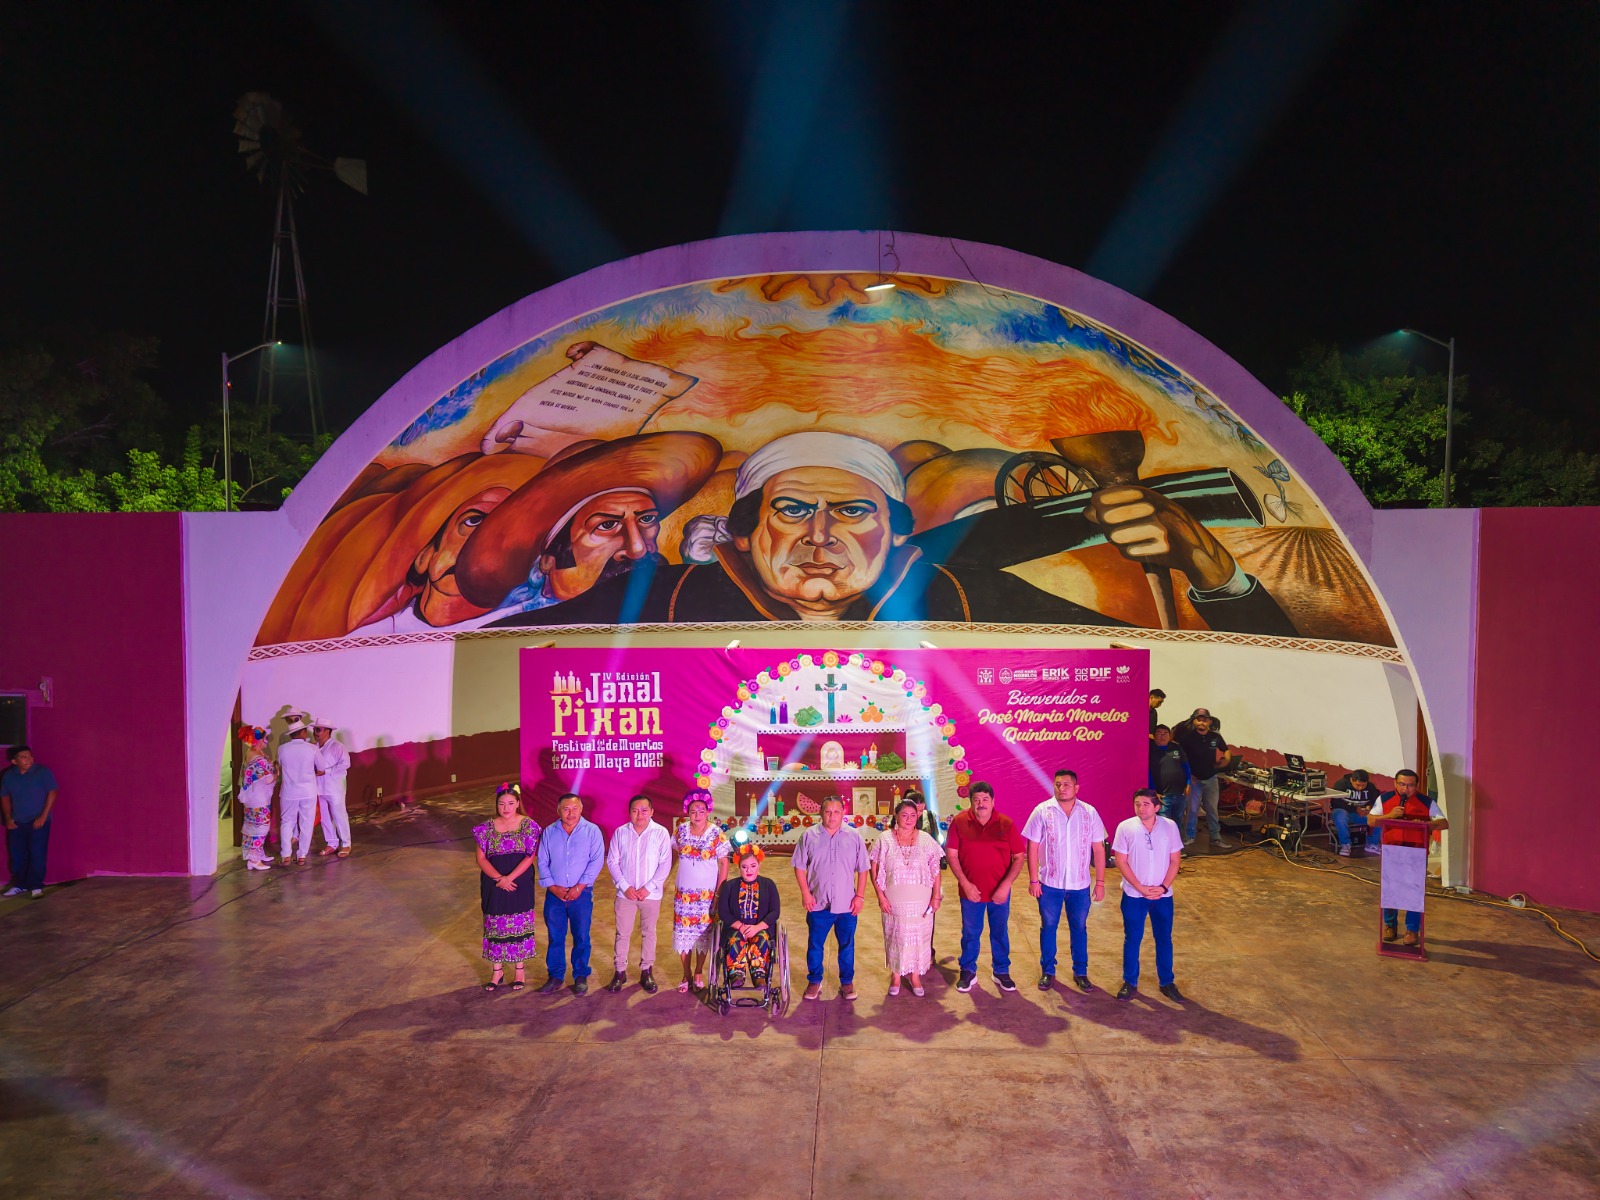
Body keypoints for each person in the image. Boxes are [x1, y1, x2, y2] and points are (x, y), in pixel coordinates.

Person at [494, 430, 1295, 632]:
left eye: (851, 511)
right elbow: (512, 640)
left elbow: (1262, 658)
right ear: (742, 531)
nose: (820, 535)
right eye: (793, 509)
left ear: (895, 535)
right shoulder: (662, 602)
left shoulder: (959, 595)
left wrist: (1211, 569)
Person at [1022, 769, 1107, 993]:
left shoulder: (1089, 812)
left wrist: (1100, 882)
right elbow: (1032, 847)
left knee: (1079, 927)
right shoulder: (1042, 810)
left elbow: (1098, 848)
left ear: (1076, 788)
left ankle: (1081, 972)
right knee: (1048, 927)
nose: (1062, 788)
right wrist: (1033, 880)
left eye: (1067, 784)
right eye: (1058, 784)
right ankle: (1048, 971)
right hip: (1050, 884)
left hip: (1080, 885)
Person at [944, 780, 1025, 994]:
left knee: (1000, 932)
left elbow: (1019, 857)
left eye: (985, 799)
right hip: (971, 892)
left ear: (993, 801)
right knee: (970, 932)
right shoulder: (959, 822)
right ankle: (968, 971)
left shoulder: (1006, 824)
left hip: (999, 892)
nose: (981, 804)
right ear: (970, 802)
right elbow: (951, 854)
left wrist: (1006, 885)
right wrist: (964, 883)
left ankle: (1001, 971)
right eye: (976, 800)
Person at [793, 794, 871, 1001]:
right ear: (821, 813)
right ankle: (814, 980)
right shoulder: (809, 836)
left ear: (843, 813)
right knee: (815, 945)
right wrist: (805, 893)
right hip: (818, 903)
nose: (832, 816)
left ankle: (847, 982)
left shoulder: (854, 837)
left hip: (847, 904)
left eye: (836, 811)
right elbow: (799, 867)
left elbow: (863, 869)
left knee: (847, 945)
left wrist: (860, 896)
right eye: (828, 811)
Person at [1111, 789, 1186, 1001]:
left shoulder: (1170, 827)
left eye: (1145, 804)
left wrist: (1163, 887)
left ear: (1156, 807)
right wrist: (1140, 887)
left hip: (1163, 896)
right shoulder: (1125, 827)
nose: (1140, 808)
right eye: (1137, 804)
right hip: (1135, 895)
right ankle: (1130, 982)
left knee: (1164, 938)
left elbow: (1175, 860)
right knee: (1132, 939)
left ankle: (1167, 982)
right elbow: (1121, 861)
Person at [870, 798, 945, 997]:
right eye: (904, 815)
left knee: (919, 939)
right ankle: (895, 976)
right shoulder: (884, 838)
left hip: (921, 900)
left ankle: (915, 976)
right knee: (896, 937)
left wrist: (936, 896)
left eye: (913, 815)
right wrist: (881, 896)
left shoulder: (926, 839)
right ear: (896, 816)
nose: (909, 819)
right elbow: (874, 867)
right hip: (894, 900)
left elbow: (936, 870)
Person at [474, 783, 542, 991]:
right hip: (493, 884)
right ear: (496, 804)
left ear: (518, 803)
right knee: (495, 924)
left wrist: (509, 877)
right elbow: (481, 858)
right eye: (502, 803)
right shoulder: (485, 828)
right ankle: (497, 971)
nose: (506, 807)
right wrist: (498, 878)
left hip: (518, 882)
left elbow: (530, 857)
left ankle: (519, 970)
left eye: (511, 803)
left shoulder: (529, 825)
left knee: (519, 924)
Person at [535, 792, 604, 994]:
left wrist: (579, 887)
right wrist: (553, 887)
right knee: (555, 937)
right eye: (566, 809)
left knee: (581, 935)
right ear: (558, 811)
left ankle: (581, 975)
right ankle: (555, 976)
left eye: (574, 808)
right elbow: (542, 861)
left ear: (581, 809)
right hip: (554, 896)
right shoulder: (549, 832)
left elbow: (596, 861)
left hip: (581, 895)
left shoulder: (592, 831)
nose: (570, 813)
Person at [1370, 770, 1448, 945]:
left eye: (1410, 785)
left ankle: (1412, 930)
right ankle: (1390, 925)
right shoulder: (1384, 799)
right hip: (1392, 851)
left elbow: (1444, 823)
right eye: (1402, 784)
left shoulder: (1426, 802)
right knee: (1390, 890)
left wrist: (1428, 824)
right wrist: (1389, 816)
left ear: (1417, 786)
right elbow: (1370, 820)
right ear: (1395, 784)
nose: (1406, 789)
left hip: (1416, 853)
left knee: (1414, 892)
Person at [605, 794, 672, 994]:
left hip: (650, 895)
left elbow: (665, 864)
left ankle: (646, 971)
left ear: (652, 812)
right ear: (630, 812)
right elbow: (612, 861)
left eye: (644, 810)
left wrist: (648, 888)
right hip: (625, 895)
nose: (640, 814)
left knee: (649, 932)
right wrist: (625, 886)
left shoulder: (660, 833)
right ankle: (619, 971)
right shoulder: (620, 832)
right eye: (635, 810)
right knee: (622, 933)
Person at [671, 789, 730, 993]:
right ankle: (686, 974)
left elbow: (724, 863)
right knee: (683, 935)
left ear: (708, 811)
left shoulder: (716, 833)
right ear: (688, 812)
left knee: (703, 936)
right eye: (693, 810)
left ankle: (698, 971)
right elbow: (673, 854)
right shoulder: (680, 831)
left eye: (702, 810)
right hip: (684, 896)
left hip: (706, 896)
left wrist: (719, 892)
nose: (697, 814)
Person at [716, 843, 781, 988]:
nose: (749, 870)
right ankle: (736, 974)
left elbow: (775, 912)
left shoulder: (768, 884)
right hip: (735, 927)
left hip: (760, 928)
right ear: (739, 868)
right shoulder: (729, 886)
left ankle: (759, 974)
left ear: (759, 865)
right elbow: (723, 912)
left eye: (753, 866)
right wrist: (740, 926)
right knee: (735, 939)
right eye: (744, 867)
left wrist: (757, 927)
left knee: (761, 938)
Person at [1, 746, 58, 898]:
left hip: (38, 821)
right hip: (17, 822)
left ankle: (36, 885)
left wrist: (44, 816)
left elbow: (53, 791)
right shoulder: (9, 775)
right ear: (14, 761)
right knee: (18, 856)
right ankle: (20, 884)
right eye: (24, 757)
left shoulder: (42, 772)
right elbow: (4, 796)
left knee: (37, 855)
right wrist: (7, 818)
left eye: (30, 756)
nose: (29, 759)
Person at [1174, 709, 1231, 850]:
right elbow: (1179, 756)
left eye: (1205, 720)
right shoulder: (1187, 738)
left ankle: (1215, 837)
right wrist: (1187, 774)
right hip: (1194, 780)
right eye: (1199, 719)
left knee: (1212, 809)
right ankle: (1189, 836)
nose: (1202, 722)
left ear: (1209, 721)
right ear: (1194, 721)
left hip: (1211, 778)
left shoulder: (1215, 737)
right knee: (1192, 810)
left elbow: (1226, 749)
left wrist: (1227, 759)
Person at [275, 718, 321, 865]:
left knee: (287, 822)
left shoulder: (282, 749)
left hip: (288, 792)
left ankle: (286, 855)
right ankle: (302, 855)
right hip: (308, 791)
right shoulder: (312, 748)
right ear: (302, 732)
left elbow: (280, 766)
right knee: (306, 822)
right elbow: (322, 769)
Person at [237, 726, 277, 871]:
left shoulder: (251, 753)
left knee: (253, 825)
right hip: (258, 799)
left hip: (254, 797)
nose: (266, 742)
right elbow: (267, 779)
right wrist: (277, 773)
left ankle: (257, 854)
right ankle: (253, 859)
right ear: (258, 740)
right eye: (265, 738)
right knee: (260, 827)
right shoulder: (257, 758)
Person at [312, 719, 353, 858]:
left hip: (334, 787)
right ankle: (332, 842)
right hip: (319, 787)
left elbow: (345, 764)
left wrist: (327, 771)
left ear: (327, 731)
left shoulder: (337, 747)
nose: (315, 733)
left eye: (318, 730)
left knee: (339, 815)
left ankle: (346, 844)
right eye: (315, 730)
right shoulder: (314, 747)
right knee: (324, 817)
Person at [1330, 769, 1380, 857]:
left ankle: (1372, 843)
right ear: (1351, 780)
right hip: (1343, 811)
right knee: (1340, 816)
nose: (1360, 788)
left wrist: (1370, 807)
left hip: (1360, 814)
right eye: (1358, 785)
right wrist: (1355, 809)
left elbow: (1376, 800)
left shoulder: (1371, 787)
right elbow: (1335, 802)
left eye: (1363, 785)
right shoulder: (1341, 784)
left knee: (1380, 819)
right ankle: (1345, 844)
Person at [1149, 725, 1190, 829]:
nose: (1162, 736)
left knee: (1178, 820)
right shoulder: (1149, 750)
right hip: (1163, 796)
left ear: (1169, 735)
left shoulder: (1176, 747)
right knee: (1163, 822)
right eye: (1159, 733)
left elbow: (1186, 766)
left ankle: (1176, 843)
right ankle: (1162, 844)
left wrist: (1188, 783)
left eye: (1165, 733)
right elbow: (1148, 772)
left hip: (1180, 793)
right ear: (1154, 736)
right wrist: (1153, 791)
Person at [905, 788, 946, 867]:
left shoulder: (929, 817)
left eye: (921, 810)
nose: (918, 813)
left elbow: (935, 840)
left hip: (925, 863)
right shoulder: (900, 819)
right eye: (915, 810)